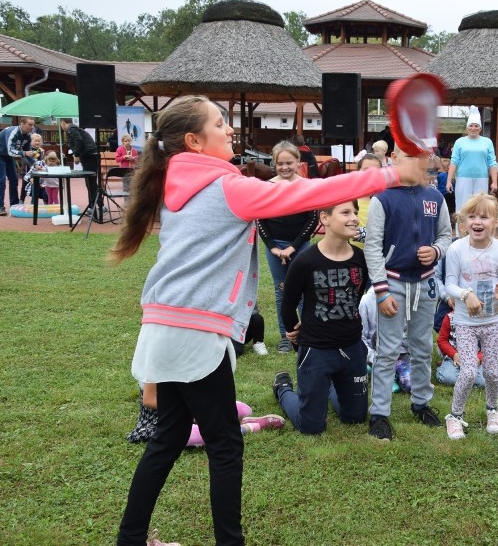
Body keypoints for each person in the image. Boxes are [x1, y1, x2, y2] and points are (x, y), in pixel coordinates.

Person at [110, 95, 426, 546]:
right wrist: (391, 174)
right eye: (220, 124)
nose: (229, 129)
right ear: (194, 141)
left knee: (170, 435)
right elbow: (304, 192)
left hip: (163, 327)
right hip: (195, 332)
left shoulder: (175, 182)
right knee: (224, 445)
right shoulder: (225, 187)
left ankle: (131, 539)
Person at [365, 145, 452, 441]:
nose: (414, 161)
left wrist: (437, 250)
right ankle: (379, 413)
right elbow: (373, 246)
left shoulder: (435, 197)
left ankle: (421, 403)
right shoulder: (383, 199)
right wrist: (380, 290)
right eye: (407, 155)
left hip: (425, 284)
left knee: (422, 346)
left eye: (419, 156)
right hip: (393, 283)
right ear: (393, 159)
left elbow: (446, 235)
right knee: (388, 349)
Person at [272, 200, 371, 435]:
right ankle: (282, 387)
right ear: (325, 218)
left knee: (355, 418)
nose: (354, 218)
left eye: (355, 213)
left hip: (352, 348)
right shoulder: (306, 260)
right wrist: (293, 332)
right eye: (345, 212)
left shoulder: (361, 258)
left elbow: (356, 298)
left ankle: (328, 386)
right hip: (316, 349)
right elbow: (288, 305)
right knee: (311, 426)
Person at [443, 193, 498, 439]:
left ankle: (493, 409)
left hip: (493, 321)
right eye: (472, 216)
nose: (477, 222)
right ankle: (455, 416)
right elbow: (449, 283)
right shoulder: (456, 249)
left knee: (492, 372)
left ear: (495, 222)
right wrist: (465, 294)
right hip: (465, 323)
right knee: (469, 371)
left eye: (484, 216)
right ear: (463, 223)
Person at [257, 141, 318, 353]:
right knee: (281, 291)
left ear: (298, 162)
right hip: (275, 247)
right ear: (274, 163)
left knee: (304, 290)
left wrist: (293, 247)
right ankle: (286, 335)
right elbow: (260, 219)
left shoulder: (305, 186)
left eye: (289, 163)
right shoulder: (267, 187)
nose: (285, 167)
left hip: (300, 246)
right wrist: (273, 247)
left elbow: (312, 220)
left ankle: (306, 334)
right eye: (280, 163)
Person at [127, 382, 283, 446]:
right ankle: (249, 427)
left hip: (192, 409)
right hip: (162, 419)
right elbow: (149, 400)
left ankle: (238, 419)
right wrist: (191, 411)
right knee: (206, 434)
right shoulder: (156, 355)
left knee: (243, 410)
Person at [446, 106, 498, 222]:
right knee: (462, 206)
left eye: (476, 126)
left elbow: (492, 162)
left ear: (480, 128)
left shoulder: (487, 142)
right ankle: (461, 235)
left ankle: (478, 234)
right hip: (463, 178)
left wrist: (494, 182)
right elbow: (454, 161)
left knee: (480, 206)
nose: (473, 128)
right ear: (467, 127)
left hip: (481, 178)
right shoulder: (460, 142)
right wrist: (449, 180)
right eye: (471, 126)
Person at [0, 117, 35, 215]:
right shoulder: (12, 132)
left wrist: (35, 164)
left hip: (8, 155)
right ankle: (0, 207)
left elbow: (28, 153)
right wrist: (25, 153)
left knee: (14, 179)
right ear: (22, 124)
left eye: (33, 125)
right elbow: (12, 151)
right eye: (30, 125)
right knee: (1, 180)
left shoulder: (27, 136)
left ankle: (14, 205)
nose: (32, 127)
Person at [61, 118, 104, 220]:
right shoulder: (75, 129)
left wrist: (76, 154)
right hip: (90, 156)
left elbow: (79, 140)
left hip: (90, 157)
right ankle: (94, 207)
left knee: (91, 183)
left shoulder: (72, 129)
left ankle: (98, 208)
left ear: (63, 123)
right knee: (91, 183)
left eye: (61, 124)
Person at [435, 309, 485, 389]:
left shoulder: (483, 320)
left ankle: (466, 379)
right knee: (448, 378)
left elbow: (487, 345)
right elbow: (442, 340)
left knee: (484, 382)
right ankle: (443, 368)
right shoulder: (450, 317)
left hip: (476, 359)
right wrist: (454, 354)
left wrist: (478, 358)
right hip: (453, 358)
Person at [351, 153, 383, 247]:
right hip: (351, 253)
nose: (370, 175)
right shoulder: (349, 198)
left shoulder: (385, 199)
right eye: (366, 170)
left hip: (377, 254)